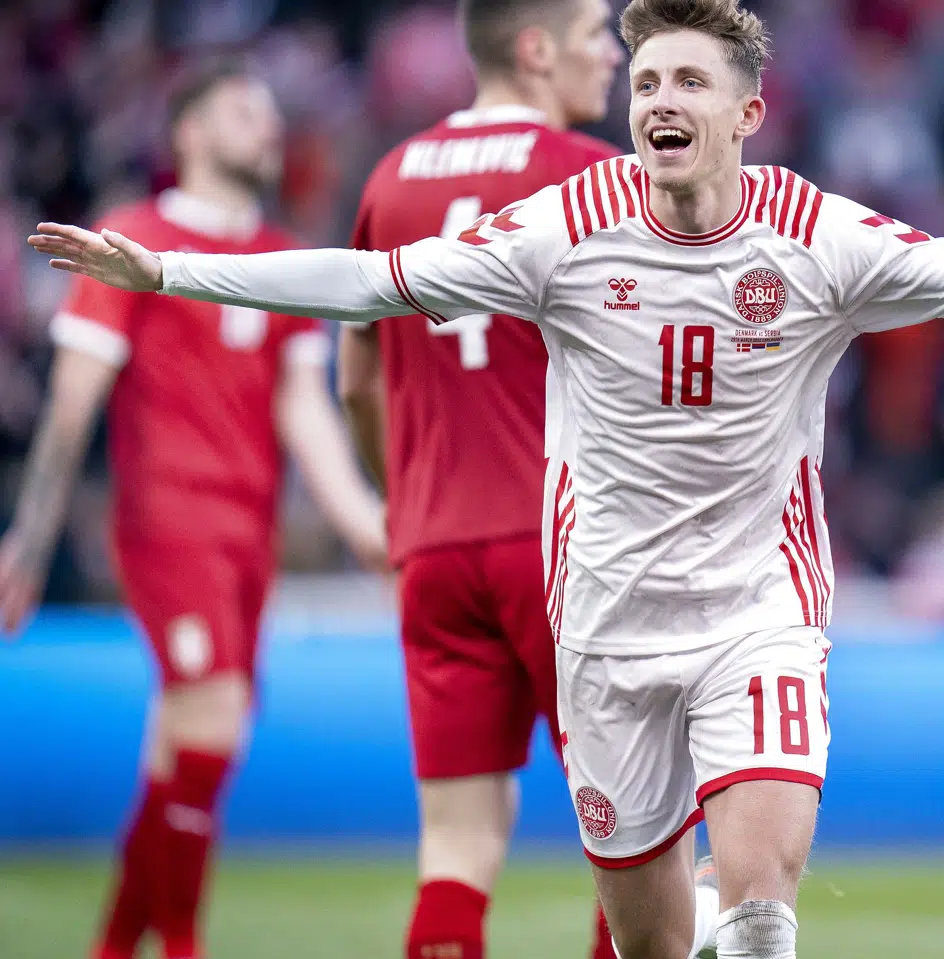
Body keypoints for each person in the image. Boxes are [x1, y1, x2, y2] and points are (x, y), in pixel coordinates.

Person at [26, 0, 944, 955]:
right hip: (603, 627)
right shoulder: (562, 228)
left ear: (746, 111)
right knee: (652, 936)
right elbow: (368, 285)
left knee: (764, 900)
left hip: (755, 609)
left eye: (683, 83)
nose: (656, 101)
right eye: (644, 81)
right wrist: (169, 270)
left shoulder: (818, 235)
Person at [6, 61, 386, 959]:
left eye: (268, 112)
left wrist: (369, 527)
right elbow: (71, 407)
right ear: (189, 134)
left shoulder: (283, 259)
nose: (267, 127)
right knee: (208, 727)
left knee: (188, 751)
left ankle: (113, 943)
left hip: (248, 540)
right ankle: (181, 942)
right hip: (169, 525)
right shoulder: (130, 242)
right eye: (242, 111)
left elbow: (307, 417)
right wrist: (28, 537)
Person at [335, 1, 673, 957]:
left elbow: (357, 378)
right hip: (571, 545)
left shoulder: (389, 176)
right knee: (643, 835)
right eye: (596, 34)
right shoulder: (592, 179)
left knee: (454, 843)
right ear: (535, 51)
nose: (614, 54)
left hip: (436, 547)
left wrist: (401, 503)